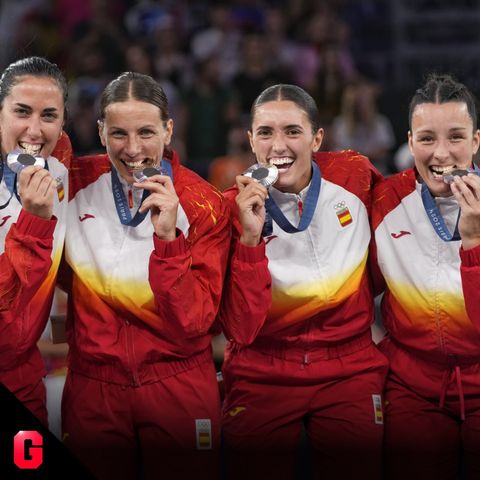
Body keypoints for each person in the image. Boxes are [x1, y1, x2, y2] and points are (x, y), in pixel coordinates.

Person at [61, 71, 231, 480]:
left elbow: (196, 321)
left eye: (146, 132)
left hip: (178, 378)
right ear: (100, 131)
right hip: (93, 384)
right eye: (118, 133)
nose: (133, 149)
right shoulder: (73, 182)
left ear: (169, 130)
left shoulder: (204, 203)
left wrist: (169, 239)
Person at [219, 84, 388, 480]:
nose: (279, 145)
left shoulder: (355, 176)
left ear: (317, 138)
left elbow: (385, 259)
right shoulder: (229, 207)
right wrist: (248, 240)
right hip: (262, 369)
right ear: (250, 140)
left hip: (349, 368)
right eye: (265, 132)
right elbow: (241, 328)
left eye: (293, 131)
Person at [370, 73, 480, 479]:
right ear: (410, 142)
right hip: (412, 386)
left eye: (455, 137)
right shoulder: (383, 200)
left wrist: (475, 243)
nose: (442, 154)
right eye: (427, 138)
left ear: (476, 141)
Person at [0, 56, 69, 425]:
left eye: (49, 116)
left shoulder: (60, 163)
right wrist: (35, 223)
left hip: (26, 377)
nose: (35, 131)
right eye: (22, 112)